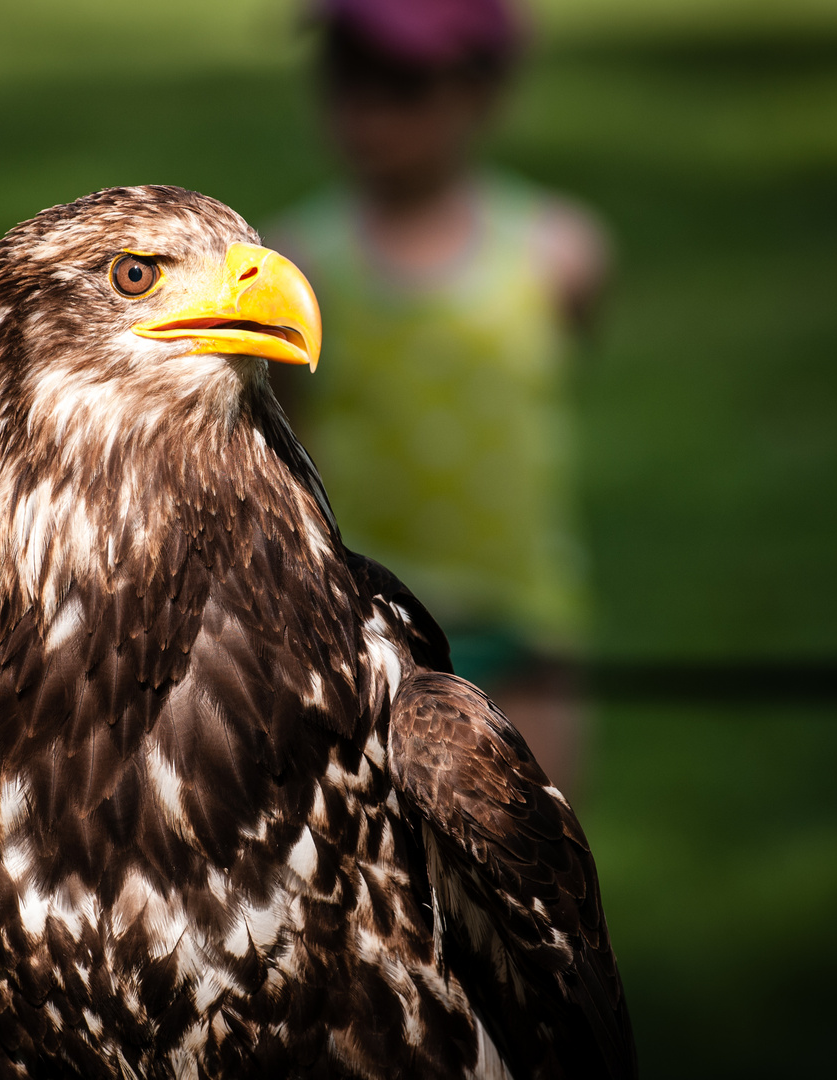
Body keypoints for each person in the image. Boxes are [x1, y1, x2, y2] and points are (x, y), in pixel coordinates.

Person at [269, 0, 608, 793]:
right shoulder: (297, 269)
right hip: (363, 637)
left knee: (538, 887)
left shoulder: (560, 256)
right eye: (344, 77)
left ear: (483, 91)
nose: (366, 108)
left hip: (523, 631)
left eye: (402, 83)